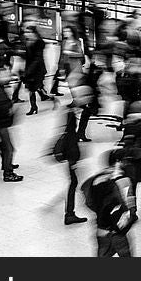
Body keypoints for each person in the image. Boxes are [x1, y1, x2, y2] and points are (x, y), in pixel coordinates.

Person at [83, 152, 137, 257]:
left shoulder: (97, 178)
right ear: (118, 162)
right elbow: (130, 206)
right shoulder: (124, 180)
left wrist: (101, 212)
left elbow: (88, 201)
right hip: (117, 230)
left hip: (101, 228)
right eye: (124, 161)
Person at [56, 97, 87, 226]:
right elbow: (71, 142)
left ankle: (70, 213)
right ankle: (69, 214)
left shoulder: (68, 119)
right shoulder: (71, 126)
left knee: (73, 183)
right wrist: (74, 160)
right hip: (71, 157)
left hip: (70, 156)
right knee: (73, 183)